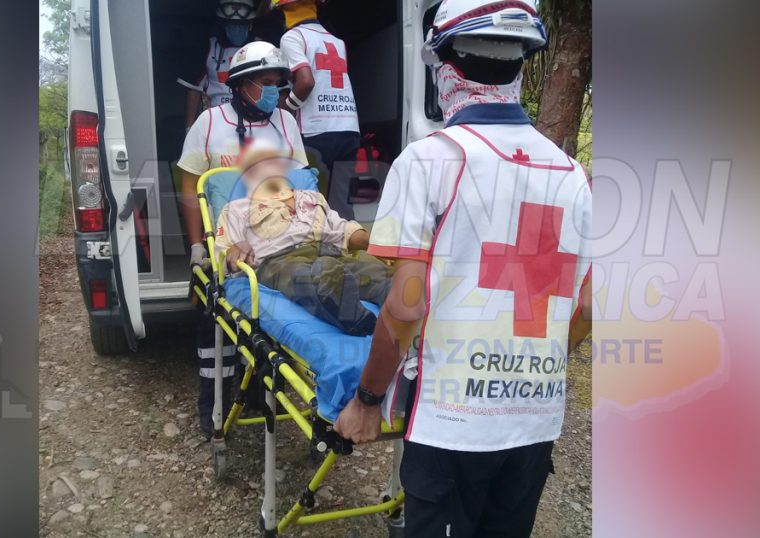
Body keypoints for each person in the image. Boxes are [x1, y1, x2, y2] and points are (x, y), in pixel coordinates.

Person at [332, 1, 593, 536]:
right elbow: (587, 305)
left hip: (452, 424)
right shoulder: (573, 174)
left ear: (444, 67)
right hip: (535, 421)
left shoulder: (429, 160)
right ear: (521, 65)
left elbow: (407, 305)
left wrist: (367, 401)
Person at [177, 41, 308, 439]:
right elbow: (190, 187)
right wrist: (198, 246)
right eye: (264, 83)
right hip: (225, 245)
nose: (273, 91)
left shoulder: (286, 123)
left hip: (277, 243)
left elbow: (301, 184)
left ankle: (259, 395)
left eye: (277, 83)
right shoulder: (210, 123)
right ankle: (212, 403)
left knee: (272, 327)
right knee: (215, 330)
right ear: (239, 84)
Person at [215, 141, 391, 335]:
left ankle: (402, 315)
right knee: (308, 276)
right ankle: (355, 319)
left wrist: (379, 245)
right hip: (280, 261)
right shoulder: (236, 209)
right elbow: (223, 258)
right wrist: (235, 248)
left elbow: (343, 230)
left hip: (332, 253)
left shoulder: (312, 197)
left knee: (382, 274)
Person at [272, 0, 360, 220]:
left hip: (316, 130)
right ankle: (348, 239)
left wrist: (286, 109)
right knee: (342, 207)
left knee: (311, 205)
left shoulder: (292, 37)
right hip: (349, 128)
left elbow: (306, 82)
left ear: (284, 10)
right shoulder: (337, 41)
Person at [178, 0, 259, 130]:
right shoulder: (207, 47)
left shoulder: (262, 47)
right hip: (216, 120)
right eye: (231, 23)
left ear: (250, 24)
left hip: (254, 119)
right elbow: (194, 88)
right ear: (222, 23)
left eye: (241, 23)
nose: (236, 27)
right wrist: (189, 128)